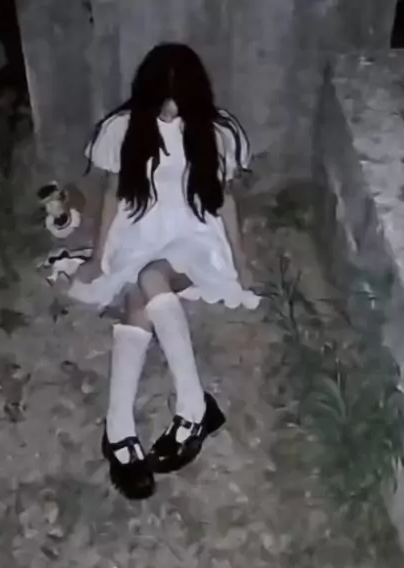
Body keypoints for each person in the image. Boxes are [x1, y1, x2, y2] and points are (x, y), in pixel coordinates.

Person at [65, 42, 261, 500]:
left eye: (179, 99)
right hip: (142, 226)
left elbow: (225, 199)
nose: (171, 110)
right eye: (162, 99)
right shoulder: (123, 127)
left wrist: (240, 259)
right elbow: (113, 192)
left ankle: (175, 414)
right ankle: (134, 424)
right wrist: (97, 255)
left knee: (151, 277)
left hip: (196, 231)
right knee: (139, 294)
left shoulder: (217, 130)